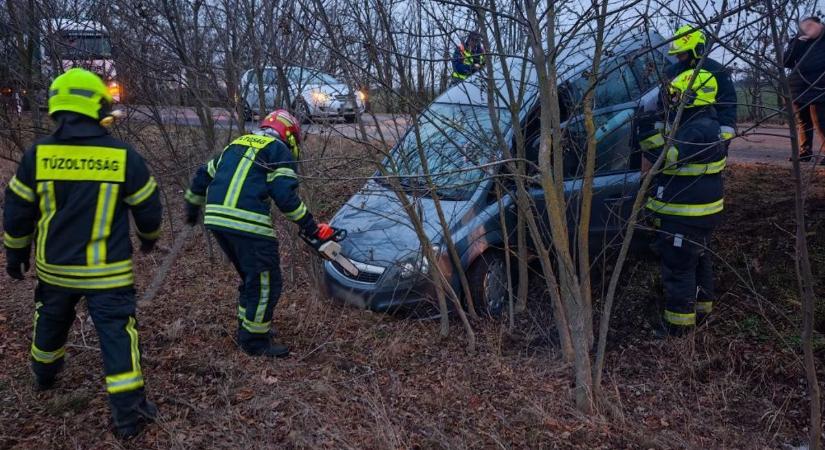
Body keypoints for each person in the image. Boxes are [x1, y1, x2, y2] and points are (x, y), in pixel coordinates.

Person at [3, 68, 162, 438]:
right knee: (117, 334)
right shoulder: (122, 156)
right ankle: (129, 416)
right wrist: (149, 238)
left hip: (54, 270)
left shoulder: (38, 154)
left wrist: (15, 251)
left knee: (51, 320)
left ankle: (44, 375)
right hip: (108, 274)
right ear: (97, 106)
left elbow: (17, 209)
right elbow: (148, 206)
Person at [184, 109, 339, 357]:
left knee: (252, 279)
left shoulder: (235, 144)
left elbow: (203, 174)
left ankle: (248, 328)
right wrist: (311, 227)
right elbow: (285, 197)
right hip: (248, 222)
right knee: (267, 283)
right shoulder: (278, 150)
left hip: (216, 219)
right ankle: (254, 342)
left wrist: (192, 207)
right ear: (290, 135)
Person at [638, 69, 726, 337]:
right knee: (698, 261)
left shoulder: (697, 130)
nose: (673, 99)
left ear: (692, 97)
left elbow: (669, 156)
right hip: (699, 214)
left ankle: (678, 328)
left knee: (678, 268)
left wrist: (645, 134)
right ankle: (702, 311)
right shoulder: (705, 123)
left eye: (677, 95)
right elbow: (674, 138)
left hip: (685, 215)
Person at [666, 25, 738, 143]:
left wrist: (726, 126)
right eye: (677, 54)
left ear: (695, 50)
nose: (678, 57)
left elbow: (727, 101)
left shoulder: (717, 71)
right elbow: (664, 99)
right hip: (679, 129)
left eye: (682, 54)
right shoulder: (673, 72)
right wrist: (663, 122)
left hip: (711, 129)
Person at [783, 16, 825, 162]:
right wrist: (797, 44)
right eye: (805, 27)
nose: (808, 29)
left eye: (811, 25)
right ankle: (805, 152)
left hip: (820, 87)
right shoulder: (798, 41)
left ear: (819, 24)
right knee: (803, 121)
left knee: (821, 121)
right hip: (798, 87)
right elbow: (786, 62)